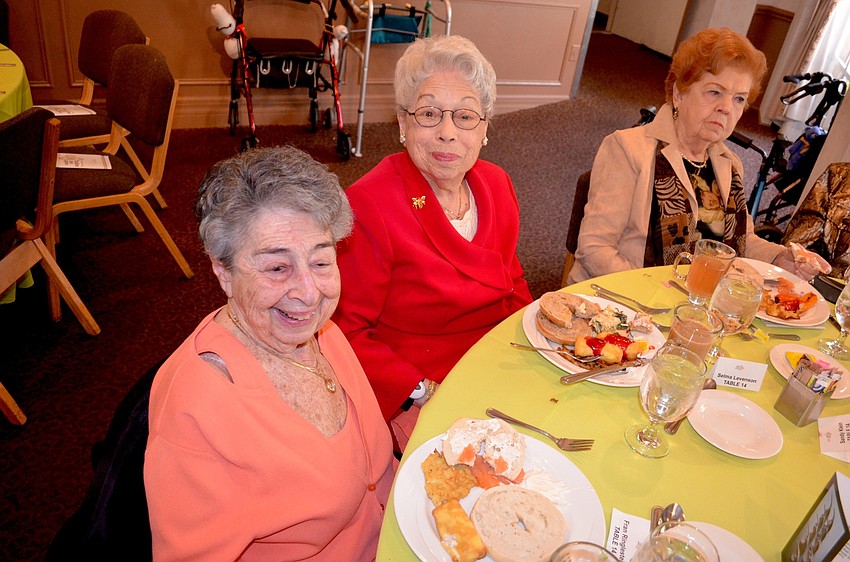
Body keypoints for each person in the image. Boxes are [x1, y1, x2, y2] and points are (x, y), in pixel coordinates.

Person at [144, 147, 394, 561]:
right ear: (223, 272)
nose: (309, 293)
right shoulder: (197, 407)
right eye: (277, 268)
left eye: (320, 261)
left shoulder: (323, 333)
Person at [333, 35, 532, 451]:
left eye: (465, 116)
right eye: (428, 114)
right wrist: (419, 390)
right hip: (420, 387)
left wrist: (532, 351)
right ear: (403, 124)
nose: (447, 133)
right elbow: (344, 330)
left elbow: (513, 283)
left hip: (495, 362)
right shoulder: (369, 204)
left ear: (485, 128)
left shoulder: (497, 184)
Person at [569, 27, 828, 284]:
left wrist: (780, 258)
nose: (726, 108)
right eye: (715, 92)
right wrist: (663, 293)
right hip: (627, 301)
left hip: (696, 303)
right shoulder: (628, 149)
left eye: (739, 99)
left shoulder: (729, 164)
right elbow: (595, 250)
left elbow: (741, 242)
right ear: (678, 94)